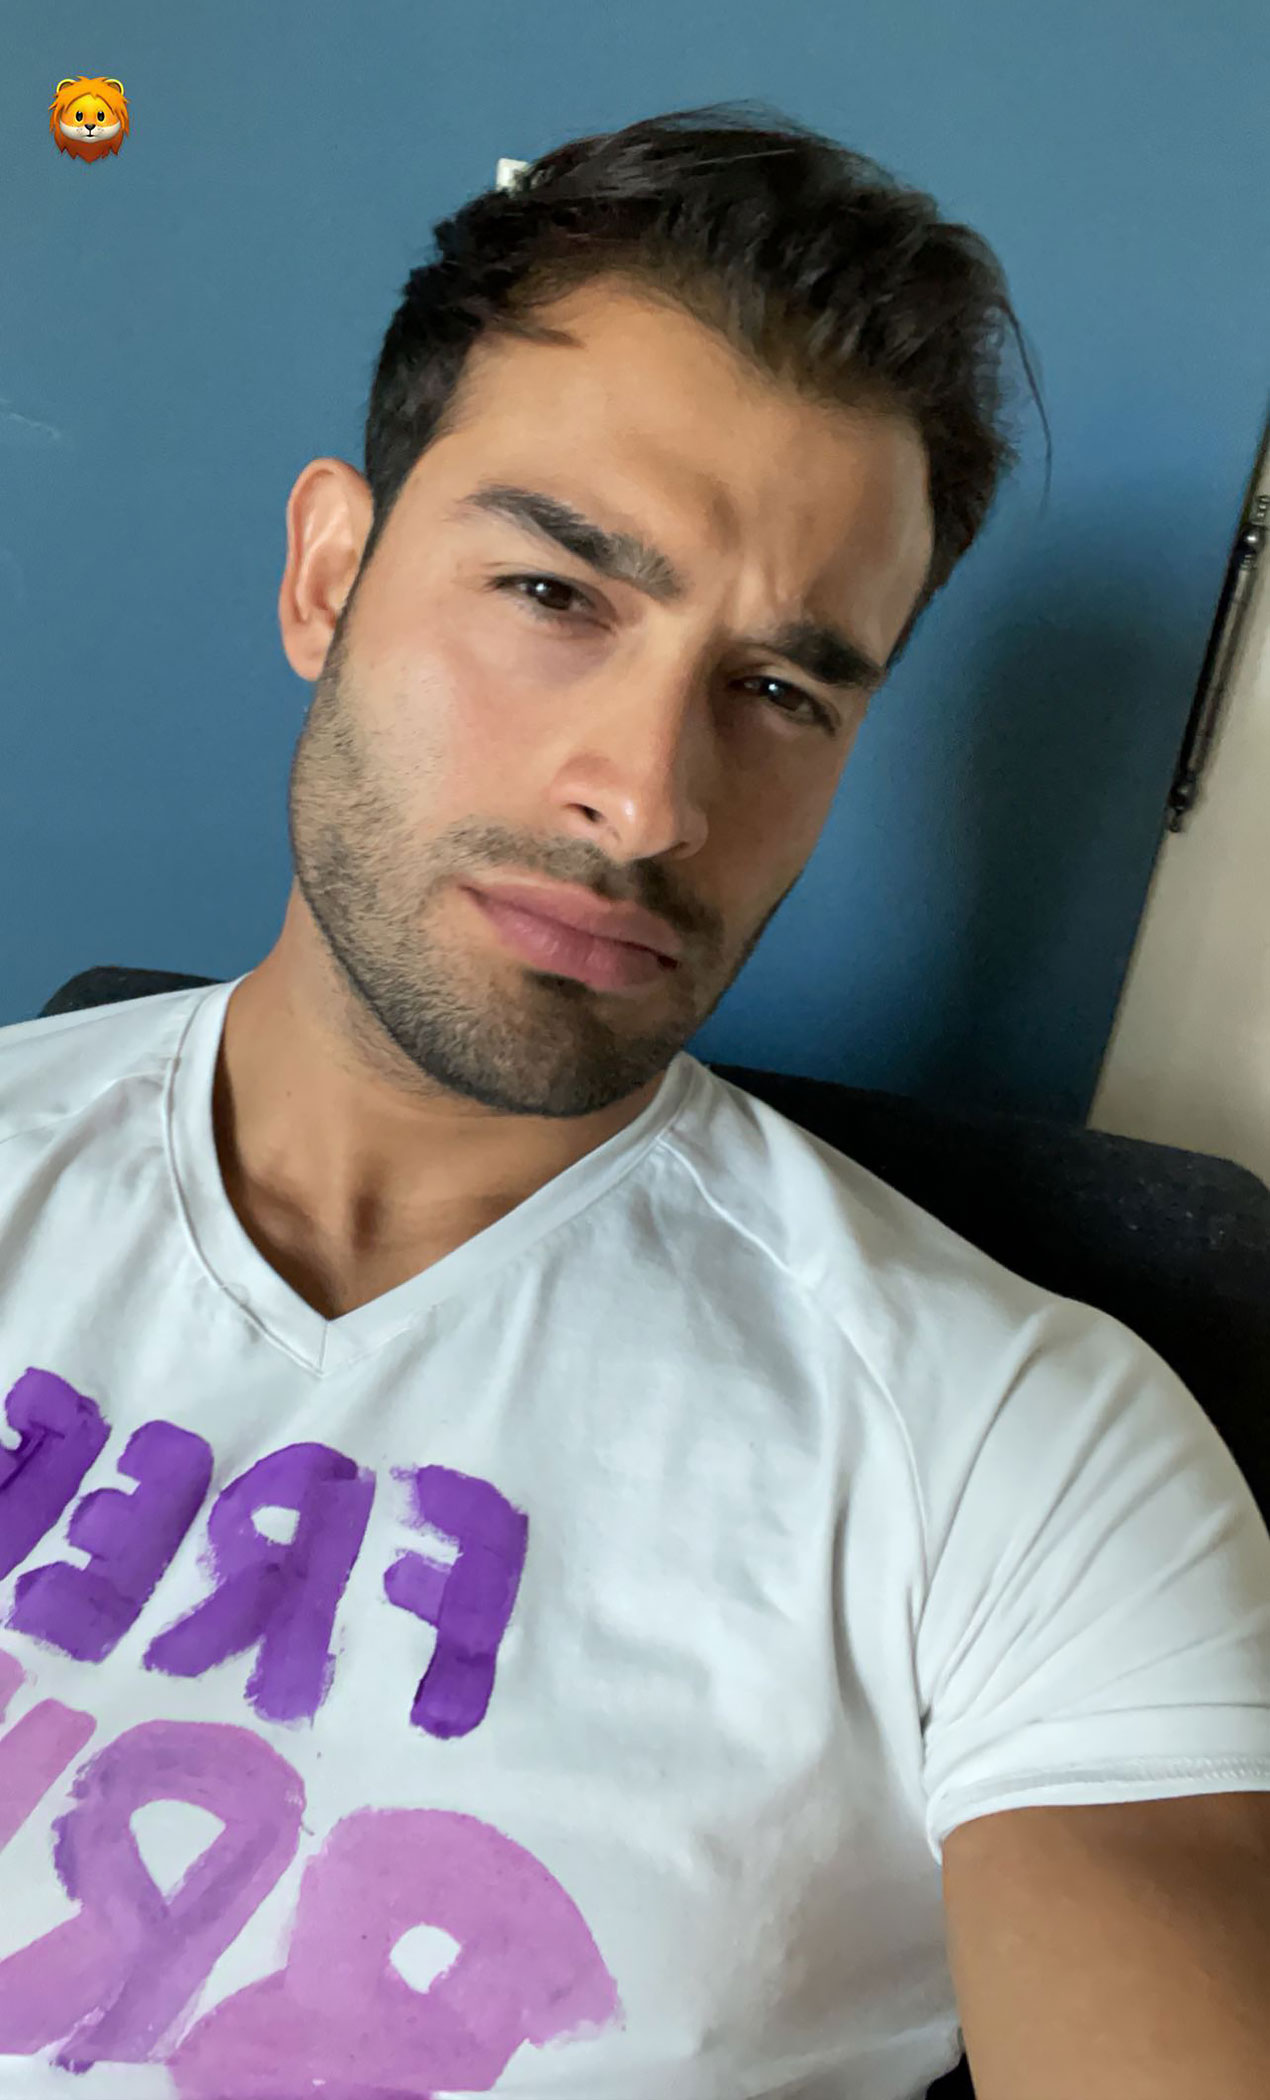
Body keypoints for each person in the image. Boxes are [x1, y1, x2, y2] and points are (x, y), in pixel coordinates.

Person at [1, 102, 1267, 2100]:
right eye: (554, 594)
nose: (648, 798)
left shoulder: (1015, 1463)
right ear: (328, 575)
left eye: (777, 691)